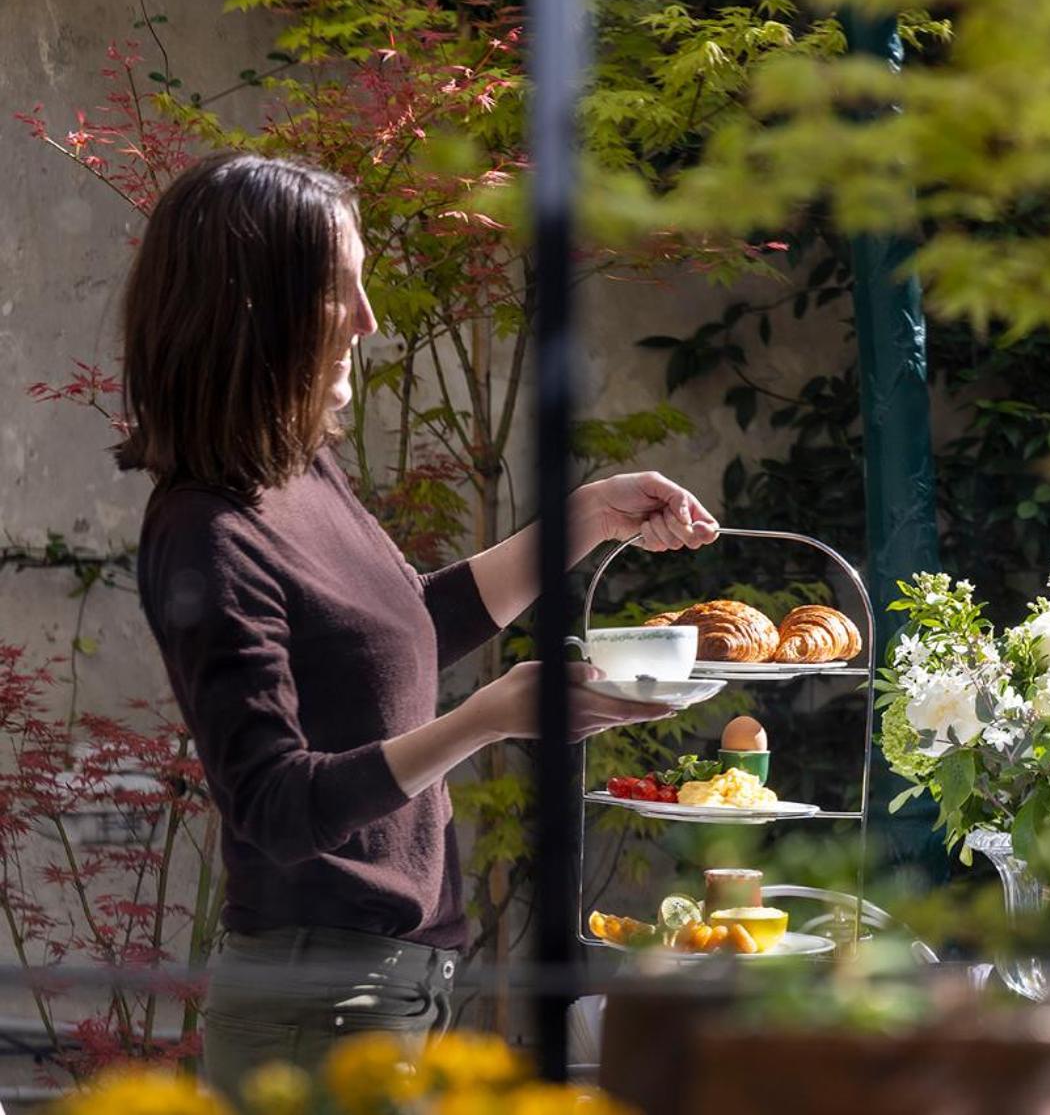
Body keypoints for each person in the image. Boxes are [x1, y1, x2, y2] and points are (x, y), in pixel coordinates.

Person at [121, 154, 717, 1099]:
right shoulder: (207, 530)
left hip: (400, 989)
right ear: (257, 308)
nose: (368, 319)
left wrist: (586, 517)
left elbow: (399, 635)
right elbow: (273, 806)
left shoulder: (300, 476)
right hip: (317, 1007)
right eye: (339, 290)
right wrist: (487, 719)